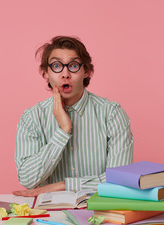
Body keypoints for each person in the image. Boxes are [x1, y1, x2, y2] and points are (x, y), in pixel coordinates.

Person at [13, 36, 133, 197]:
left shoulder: (112, 114)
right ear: (46, 73)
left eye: (74, 65)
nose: (65, 74)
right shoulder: (32, 118)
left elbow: (120, 180)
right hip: (47, 213)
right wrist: (63, 131)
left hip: (99, 210)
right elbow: (28, 179)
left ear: (87, 71)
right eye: (56, 66)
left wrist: (65, 185)